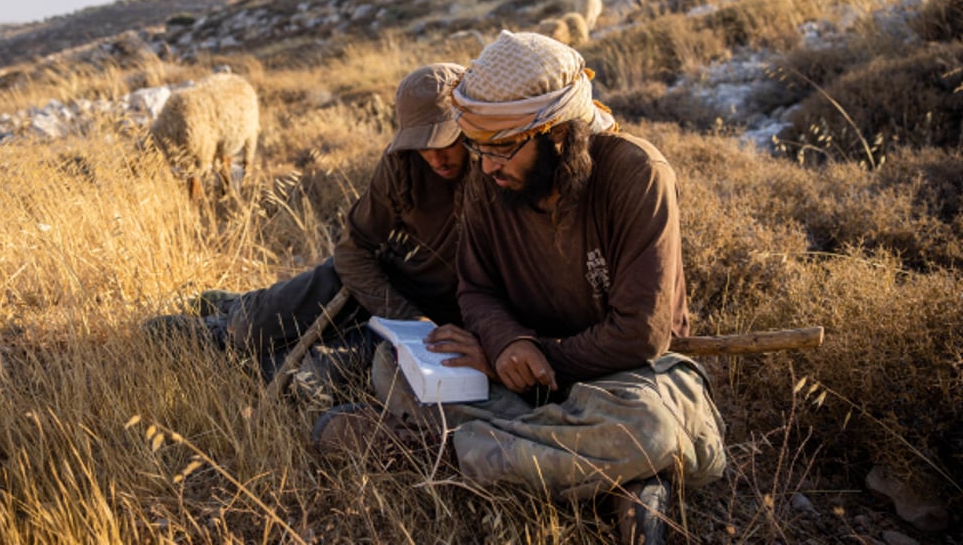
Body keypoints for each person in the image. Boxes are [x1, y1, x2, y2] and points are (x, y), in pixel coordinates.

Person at [315, 32, 725, 545]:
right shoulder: (490, 179)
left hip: (627, 377)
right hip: (520, 369)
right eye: (478, 148)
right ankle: (617, 479)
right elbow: (476, 290)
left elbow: (640, 335)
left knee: (648, 426)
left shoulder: (636, 174)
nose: (486, 166)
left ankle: (438, 452)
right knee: (393, 366)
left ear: (558, 134)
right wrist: (504, 342)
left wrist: (530, 358)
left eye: (503, 148)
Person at [145, 62, 471, 397]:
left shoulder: (493, 171)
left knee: (311, 381)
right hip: (379, 286)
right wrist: (401, 314)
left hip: (433, 322)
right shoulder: (402, 163)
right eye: (422, 143)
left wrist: (422, 326)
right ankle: (227, 314)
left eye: (445, 141)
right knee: (249, 326)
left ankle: (238, 357)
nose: (435, 157)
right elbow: (353, 249)